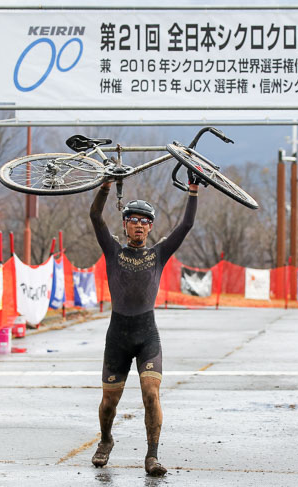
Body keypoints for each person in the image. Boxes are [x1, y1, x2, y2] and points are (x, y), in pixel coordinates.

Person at [88, 176, 200, 476]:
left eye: (145, 221)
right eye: (133, 220)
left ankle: (151, 456)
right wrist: (106, 185)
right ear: (125, 225)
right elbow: (95, 216)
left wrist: (192, 190)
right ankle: (106, 439)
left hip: (146, 334)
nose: (139, 225)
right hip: (117, 336)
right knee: (109, 401)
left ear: (150, 227)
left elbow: (186, 225)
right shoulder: (113, 250)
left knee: (151, 393)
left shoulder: (158, 253)